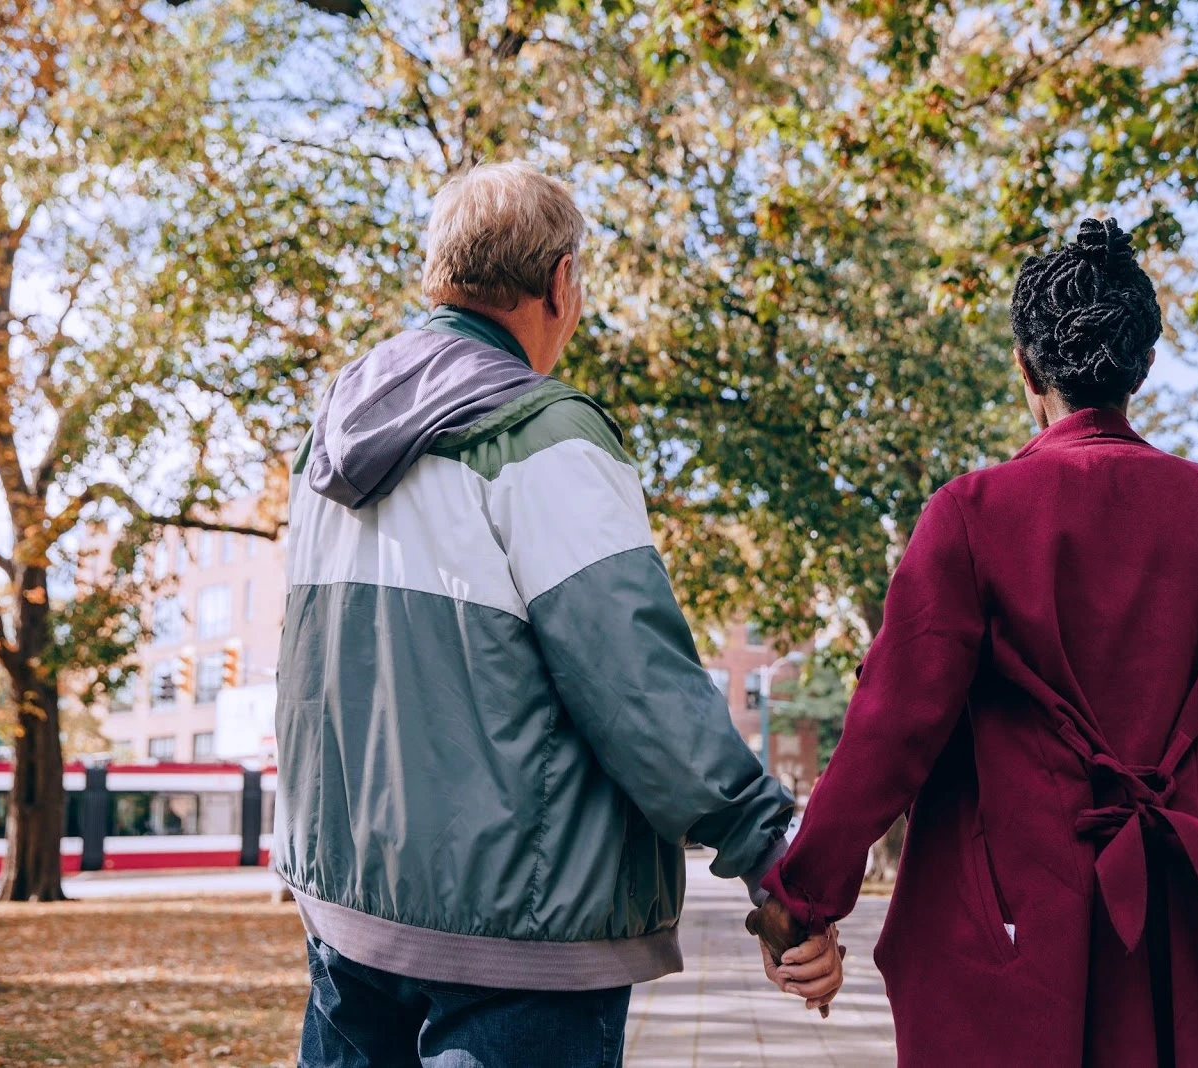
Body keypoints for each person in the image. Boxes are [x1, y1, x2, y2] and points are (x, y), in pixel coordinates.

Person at [275, 162, 841, 1068]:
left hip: (348, 920)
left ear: (439, 277)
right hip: (520, 939)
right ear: (561, 284)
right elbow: (638, 684)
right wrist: (767, 854)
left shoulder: (328, 449)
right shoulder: (543, 435)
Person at [755, 218, 1198, 1066]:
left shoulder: (971, 516)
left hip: (1025, 932)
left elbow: (891, 729)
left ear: (1026, 370)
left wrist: (802, 901)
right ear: (1140, 366)